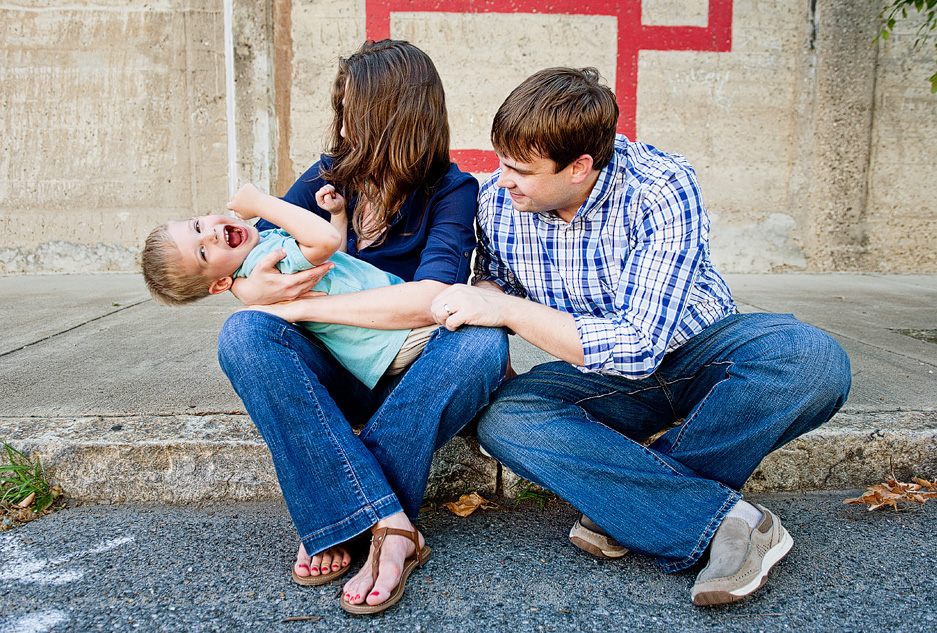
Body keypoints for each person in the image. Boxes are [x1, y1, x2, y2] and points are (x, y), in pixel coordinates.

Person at [431, 67, 851, 607]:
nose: (502, 178)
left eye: (520, 169)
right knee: (507, 417)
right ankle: (731, 522)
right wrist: (490, 304)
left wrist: (504, 307)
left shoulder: (661, 187)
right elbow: (497, 283)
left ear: (580, 167)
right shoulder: (499, 202)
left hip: (703, 350)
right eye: (500, 161)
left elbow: (637, 344)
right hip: (596, 376)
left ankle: (627, 507)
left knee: (812, 360)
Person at [215, 39, 507, 614]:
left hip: (410, 371)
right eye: (340, 108)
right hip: (336, 368)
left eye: (355, 111)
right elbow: (249, 252)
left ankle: (338, 509)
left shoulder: (452, 191)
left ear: (397, 116)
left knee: (483, 344)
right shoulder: (327, 176)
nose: (344, 126)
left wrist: (297, 308)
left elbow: (431, 299)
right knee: (243, 336)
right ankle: (392, 526)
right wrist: (255, 290)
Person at [141, 183, 436, 389]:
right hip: (392, 337)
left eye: (197, 226)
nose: (211, 234)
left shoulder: (262, 256)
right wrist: (261, 203)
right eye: (203, 253)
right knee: (469, 315)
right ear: (219, 283)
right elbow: (325, 242)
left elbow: (333, 262)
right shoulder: (268, 262)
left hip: (387, 333)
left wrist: (337, 216)